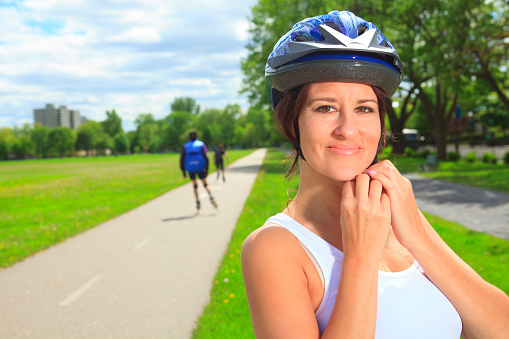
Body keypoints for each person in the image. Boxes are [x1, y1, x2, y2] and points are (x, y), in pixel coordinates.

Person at [241, 10, 509, 339]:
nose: (348, 129)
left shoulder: (403, 220)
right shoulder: (273, 249)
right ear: (291, 121)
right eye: (325, 107)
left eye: (365, 108)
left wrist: (418, 235)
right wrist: (361, 254)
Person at [180, 131, 217, 211]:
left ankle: (197, 201)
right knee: (205, 183)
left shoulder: (185, 146)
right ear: (196, 136)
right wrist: (207, 168)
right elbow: (206, 157)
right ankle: (211, 196)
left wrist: (183, 171)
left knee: (195, 185)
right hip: (200, 167)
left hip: (190, 168)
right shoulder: (201, 144)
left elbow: (182, 159)